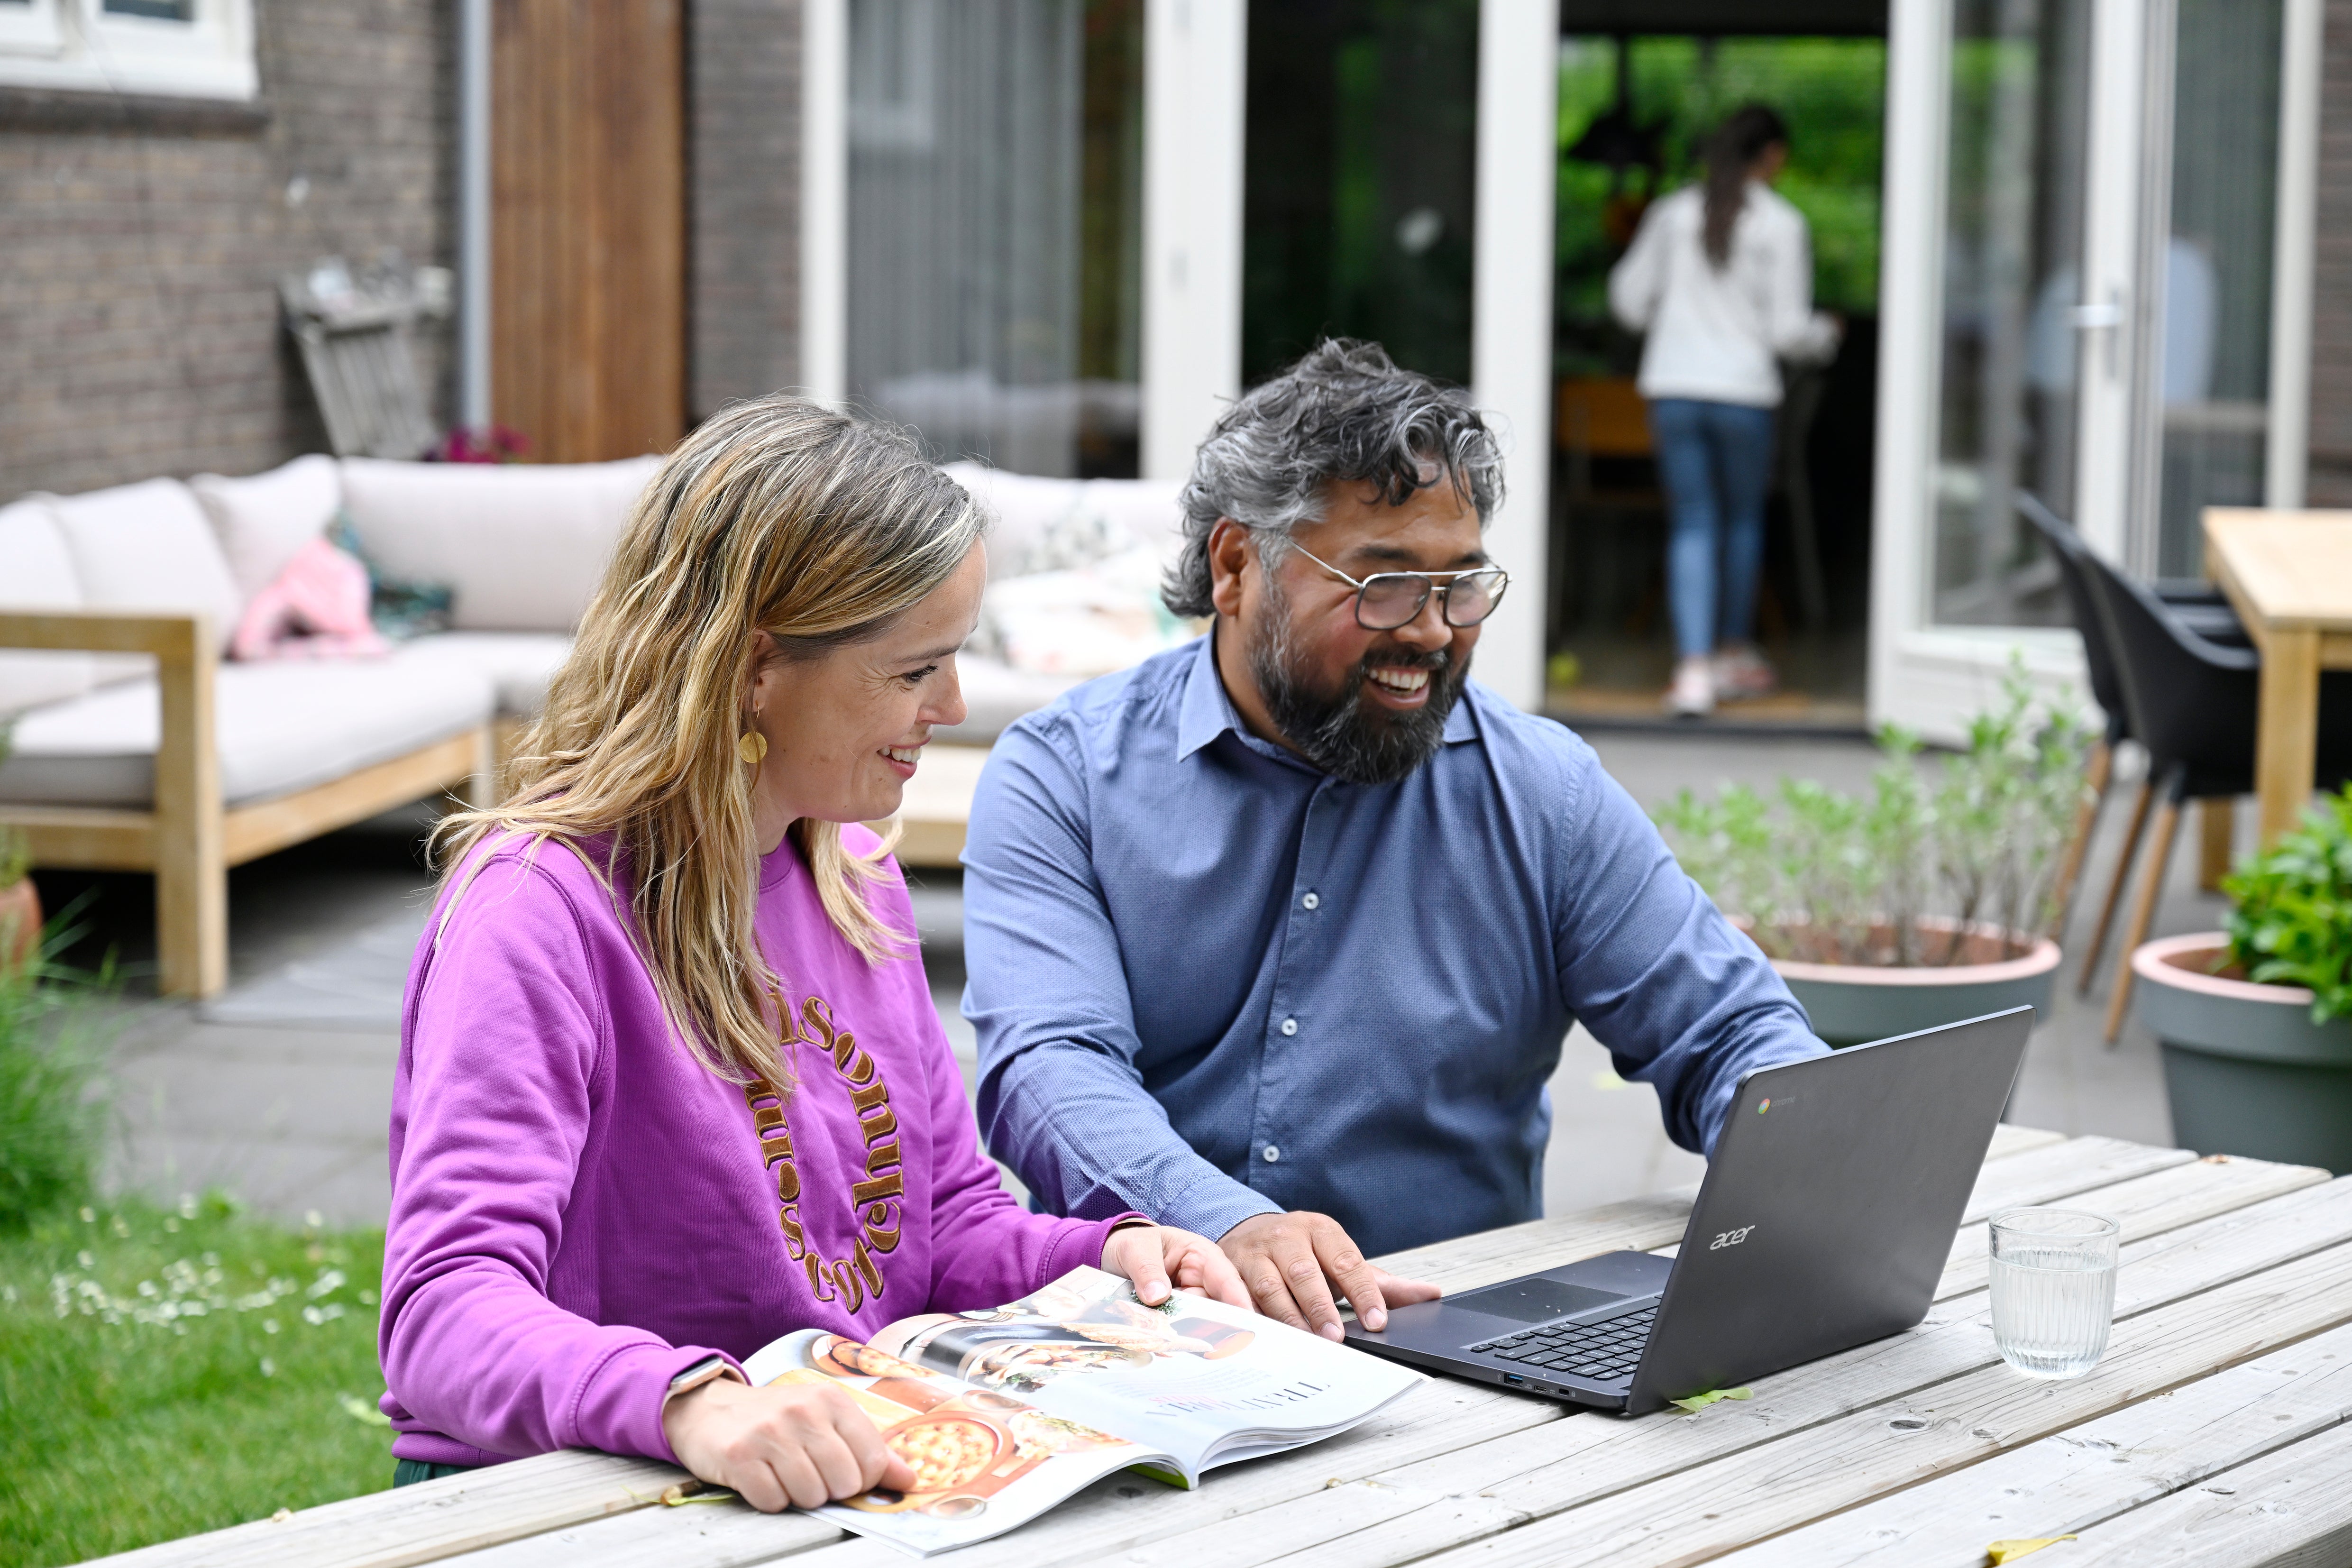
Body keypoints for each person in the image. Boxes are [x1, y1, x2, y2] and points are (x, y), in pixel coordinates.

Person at [378, 396, 1246, 1514]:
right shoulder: (539, 912)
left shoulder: (852, 877)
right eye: (911, 669)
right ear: (751, 669)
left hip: (826, 1478)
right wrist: (694, 1402)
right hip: (571, 1496)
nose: (954, 704)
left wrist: (1108, 1259)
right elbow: (442, 1312)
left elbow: (943, 1230)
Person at [962, 339, 1828, 1345]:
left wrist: (1816, 1157)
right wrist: (1227, 1222)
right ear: (1237, 564)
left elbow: (1730, 1033)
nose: (1431, 629)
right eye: (1383, 583)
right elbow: (1050, 1069)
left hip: (1460, 1351)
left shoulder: (1542, 791)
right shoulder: (1061, 776)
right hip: (1145, 1334)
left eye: (1461, 585)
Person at [1608, 103, 1841, 718]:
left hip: (1675, 387)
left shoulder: (1670, 214)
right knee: (1740, 524)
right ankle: (1730, 653)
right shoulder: (1780, 224)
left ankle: (1690, 674)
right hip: (1743, 394)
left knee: (1691, 523)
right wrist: (1828, 335)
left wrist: (1675, 321)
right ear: (1769, 157)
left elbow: (1628, 302)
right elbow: (1790, 331)